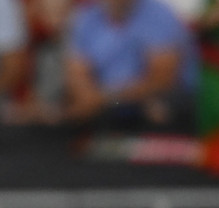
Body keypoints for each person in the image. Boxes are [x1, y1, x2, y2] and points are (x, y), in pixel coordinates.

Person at [62, 0, 199, 125]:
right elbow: (76, 71)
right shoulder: (86, 18)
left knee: (158, 109)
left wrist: (105, 99)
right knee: (65, 110)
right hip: (104, 101)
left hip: (150, 98)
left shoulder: (160, 15)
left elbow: (162, 79)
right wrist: (88, 98)